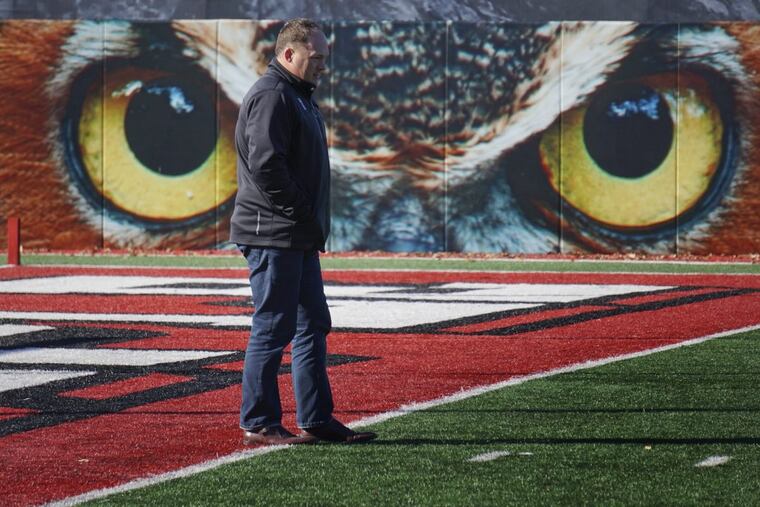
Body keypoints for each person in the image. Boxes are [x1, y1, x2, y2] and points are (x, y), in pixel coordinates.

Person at [230, 18, 376, 445]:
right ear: (289, 54)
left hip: (292, 233)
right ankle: (258, 422)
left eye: (325, 58)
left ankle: (315, 418)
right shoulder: (274, 95)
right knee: (274, 325)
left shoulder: (296, 95)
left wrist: (306, 221)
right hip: (274, 232)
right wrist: (300, 211)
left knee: (313, 321)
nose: (323, 66)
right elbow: (266, 165)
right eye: (317, 58)